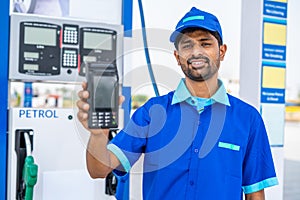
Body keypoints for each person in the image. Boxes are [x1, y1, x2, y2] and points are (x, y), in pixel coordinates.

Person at [77, 7, 278, 200]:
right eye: (187, 45)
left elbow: (255, 194)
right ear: (177, 56)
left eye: (205, 43)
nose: (196, 52)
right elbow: (99, 170)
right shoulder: (151, 112)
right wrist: (98, 135)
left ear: (222, 52)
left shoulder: (248, 119)